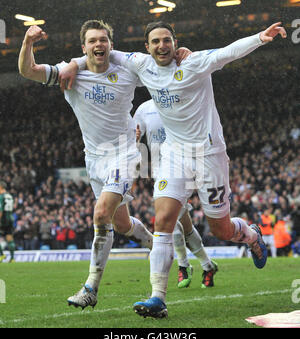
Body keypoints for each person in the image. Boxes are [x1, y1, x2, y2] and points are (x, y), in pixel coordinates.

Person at [62, 21, 287, 319]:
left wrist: (261, 37)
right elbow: (105, 51)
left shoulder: (194, 62)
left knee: (221, 228)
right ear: (147, 47)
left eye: (166, 40)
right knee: (164, 220)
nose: (161, 46)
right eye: (155, 42)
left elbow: (227, 53)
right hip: (175, 154)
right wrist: (72, 65)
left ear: (174, 42)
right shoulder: (141, 64)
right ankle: (158, 297)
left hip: (209, 154)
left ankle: (250, 235)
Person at [18, 20, 155, 310]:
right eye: (92, 41)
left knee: (101, 213)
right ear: (84, 47)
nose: (98, 45)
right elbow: (27, 71)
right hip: (93, 159)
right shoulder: (72, 74)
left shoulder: (126, 70)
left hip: (124, 154)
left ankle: (90, 287)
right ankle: (158, 246)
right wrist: (28, 42)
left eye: (103, 40)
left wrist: (181, 54)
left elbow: (159, 67)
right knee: (122, 224)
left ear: (110, 44)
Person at [134, 99, 218, 289]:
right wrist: (135, 138)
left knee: (170, 220)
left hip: (182, 168)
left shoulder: (180, 99)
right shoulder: (144, 108)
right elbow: (133, 137)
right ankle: (207, 265)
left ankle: (184, 265)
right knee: (183, 224)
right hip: (160, 172)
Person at [0, 181, 16, 263]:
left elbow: (1, 210)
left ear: (1, 187)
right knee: (10, 239)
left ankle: (1, 254)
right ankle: (12, 258)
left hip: (3, 219)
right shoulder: (9, 195)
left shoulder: (1, 196)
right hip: (10, 218)